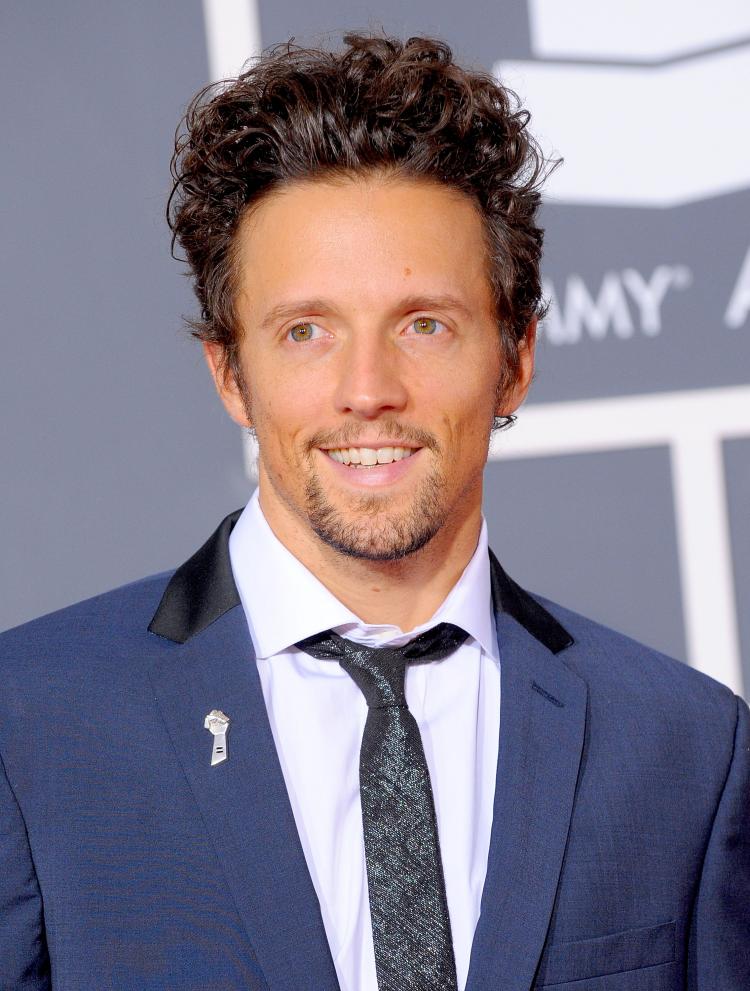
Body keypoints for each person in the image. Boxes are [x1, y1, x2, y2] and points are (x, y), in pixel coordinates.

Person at [0, 32, 748, 991]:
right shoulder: (30, 731)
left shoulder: (687, 750)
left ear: (515, 357)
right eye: (307, 332)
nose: (368, 390)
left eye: (424, 324)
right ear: (231, 372)